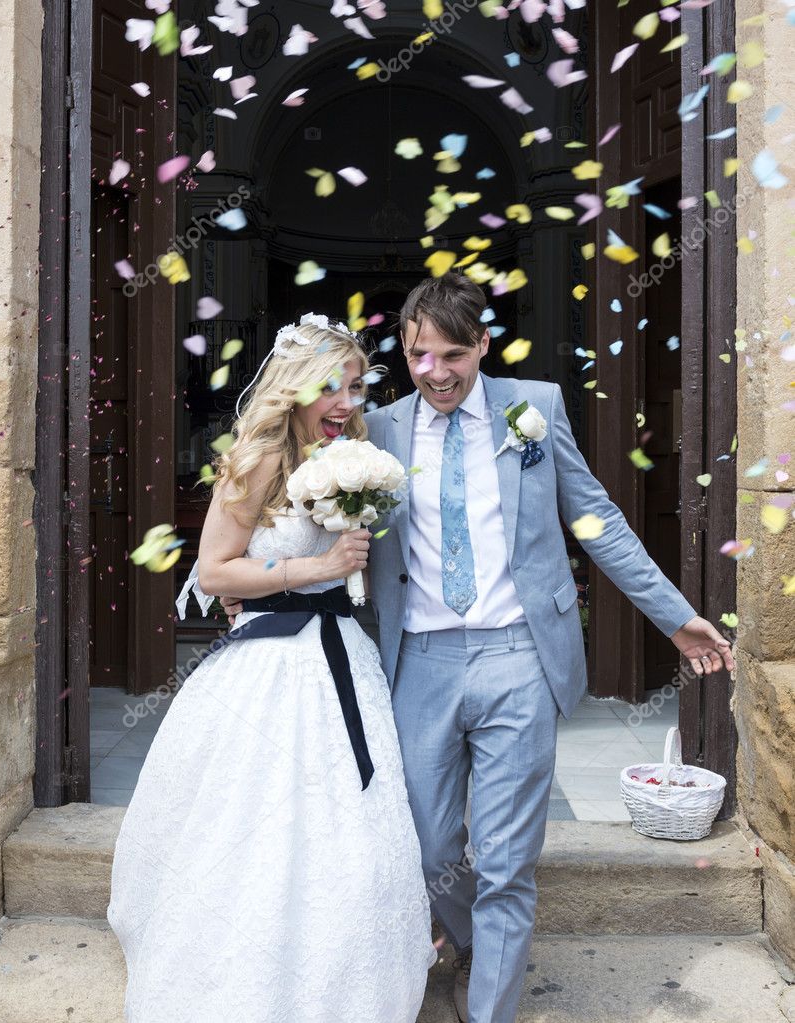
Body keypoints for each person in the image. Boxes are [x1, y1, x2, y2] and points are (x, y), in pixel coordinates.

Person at [222, 272, 735, 1023]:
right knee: (431, 852)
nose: (436, 372)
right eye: (420, 354)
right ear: (406, 348)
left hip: (519, 655)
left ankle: (490, 1003)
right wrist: (256, 579)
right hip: (419, 663)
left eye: (453, 355)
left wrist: (674, 615)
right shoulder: (375, 430)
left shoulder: (537, 410)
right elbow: (296, 511)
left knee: (506, 860)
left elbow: (598, 522)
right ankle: (465, 938)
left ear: (483, 346)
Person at [107, 313, 437, 1023]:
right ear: (292, 387)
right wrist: (314, 565)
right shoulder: (254, 459)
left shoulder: (353, 450)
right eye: (329, 386)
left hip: (342, 653)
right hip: (266, 663)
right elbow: (215, 568)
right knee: (250, 817)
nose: (345, 402)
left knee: (348, 814)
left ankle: (347, 977)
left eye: (354, 385)